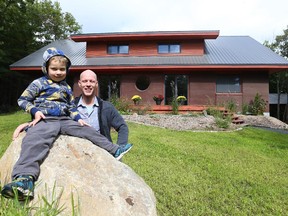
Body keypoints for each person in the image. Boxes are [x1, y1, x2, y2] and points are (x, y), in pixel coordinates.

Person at [1, 48, 132, 201]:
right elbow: (23, 100)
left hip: (64, 120)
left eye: (62, 69)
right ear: (46, 68)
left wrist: (78, 119)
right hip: (46, 119)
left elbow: (71, 107)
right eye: (54, 69)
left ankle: (115, 150)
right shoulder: (38, 83)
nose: (58, 72)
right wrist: (34, 113)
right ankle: (24, 179)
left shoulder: (67, 88)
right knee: (35, 141)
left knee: (87, 130)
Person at [13, 69, 129, 146]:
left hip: (101, 150)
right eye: (85, 81)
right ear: (79, 84)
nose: (88, 84)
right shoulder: (69, 106)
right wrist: (29, 124)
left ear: (96, 84)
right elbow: (53, 119)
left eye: (91, 81)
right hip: (75, 149)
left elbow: (123, 127)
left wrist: (120, 147)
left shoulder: (107, 107)